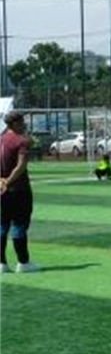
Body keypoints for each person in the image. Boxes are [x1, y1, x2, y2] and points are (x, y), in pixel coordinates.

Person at [1, 111, 38, 273]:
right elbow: (21, 165)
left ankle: (2, 264)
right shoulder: (21, 141)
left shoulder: (1, 139)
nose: (24, 124)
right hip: (18, 189)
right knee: (19, 224)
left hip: (2, 189)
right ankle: (23, 262)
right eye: (22, 121)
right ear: (15, 123)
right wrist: (8, 181)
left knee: (2, 225)